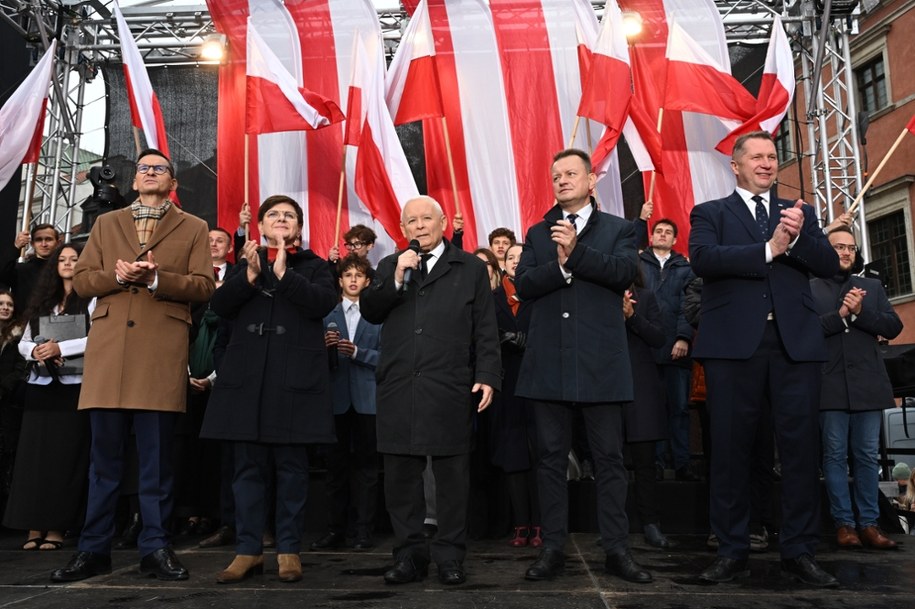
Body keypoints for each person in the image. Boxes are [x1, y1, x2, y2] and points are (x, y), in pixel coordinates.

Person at [51, 148, 215, 583]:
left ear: (172, 183)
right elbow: (83, 280)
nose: (149, 172)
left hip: (160, 354)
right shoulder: (107, 223)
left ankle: (155, 548)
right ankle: (93, 550)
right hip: (110, 356)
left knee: (156, 465)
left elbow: (204, 286)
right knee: (103, 462)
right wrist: (119, 277)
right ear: (135, 180)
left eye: (159, 168)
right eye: (143, 168)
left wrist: (157, 279)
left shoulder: (194, 227)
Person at [689, 131, 839, 587]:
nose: (767, 163)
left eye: (772, 156)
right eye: (756, 156)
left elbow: (829, 264)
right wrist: (769, 249)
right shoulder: (710, 212)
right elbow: (703, 259)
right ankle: (731, 550)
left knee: (800, 452)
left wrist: (795, 238)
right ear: (735, 166)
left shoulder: (798, 212)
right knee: (730, 451)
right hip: (734, 347)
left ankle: (799, 551)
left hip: (795, 345)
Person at [515, 149, 650, 584]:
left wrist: (575, 254)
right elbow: (524, 283)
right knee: (550, 461)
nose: (562, 180)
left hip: (601, 364)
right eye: (556, 175)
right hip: (548, 363)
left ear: (592, 181)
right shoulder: (538, 232)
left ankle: (617, 550)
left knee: (609, 460)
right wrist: (559, 266)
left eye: (571, 173)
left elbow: (623, 271)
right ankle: (552, 548)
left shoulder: (619, 228)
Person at [360, 196, 501, 586]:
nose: (419, 226)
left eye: (426, 218)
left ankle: (450, 556)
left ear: (443, 223)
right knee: (400, 480)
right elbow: (371, 309)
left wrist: (488, 374)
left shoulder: (470, 267)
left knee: (452, 479)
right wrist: (395, 278)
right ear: (402, 229)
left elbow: (485, 328)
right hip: (399, 386)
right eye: (412, 221)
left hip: (449, 386)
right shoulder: (391, 264)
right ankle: (409, 556)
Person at [200, 195, 337, 583]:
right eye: (273, 215)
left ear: (299, 227)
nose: (281, 219)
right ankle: (248, 551)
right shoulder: (246, 264)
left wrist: (283, 274)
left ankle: (289, 550)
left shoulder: (315, 266)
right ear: (259, 226)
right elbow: (220, 306)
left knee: (292, 471)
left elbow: (322, 303)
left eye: (289, 215)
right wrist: (250, 274)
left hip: (294, 386)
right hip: (247, 385)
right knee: (246, 471)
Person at [811, 226, 903, 550]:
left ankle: (869, 524)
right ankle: (844, 524)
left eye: (850, 247)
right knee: (834, 456)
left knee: (866, 456)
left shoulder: (871, 287)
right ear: (826, 251)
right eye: (839, 247)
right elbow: (804, 332)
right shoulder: (811, 288)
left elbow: (894, 326)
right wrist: (840, 315)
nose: (846, 252)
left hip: (867, 385)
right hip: (829, 385)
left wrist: (862, 312)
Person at [4, 243, 92, 551]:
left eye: (74, 259)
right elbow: (24, 342)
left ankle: (56, 528)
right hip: (41, 388)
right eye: (62, 259)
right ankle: (33, 527)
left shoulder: (91, 300)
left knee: (64, 459)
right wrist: (38, 351)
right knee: (34, 459)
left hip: (75, 388)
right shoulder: (43, 301)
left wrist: (60, 348)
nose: (67, 264)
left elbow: (96, 337)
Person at [311, 254, 382, 552]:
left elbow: (390, 358)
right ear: (339, 281)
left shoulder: (378, 315)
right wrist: (323, 349)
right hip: (336, 401)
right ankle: (334, 530)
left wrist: (357, 353)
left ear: (367, 281)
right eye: (348, 275)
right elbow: (309, 360)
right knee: (335, 470)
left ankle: (364, 531)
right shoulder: (325, 315)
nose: (353, 280)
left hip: (368, 402)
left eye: (358, 275)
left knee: (367, 469)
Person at [637, 219, 697, 481]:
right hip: (646, 348)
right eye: (658, 231)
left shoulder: (686, 268)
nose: (662, 235)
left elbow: (689, 305)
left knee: (679, 408)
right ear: (651, 236)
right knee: (652, 409)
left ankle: (682, 463)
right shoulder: (638, 264)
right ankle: (657, 464)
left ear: (674, 240)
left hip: (676, 347)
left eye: (668, 232)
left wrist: (683, 337)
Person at [490, 243, 540, 548]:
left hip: (537, 384)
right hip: (505, 385)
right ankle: (520, 524)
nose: (516, 262)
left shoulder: (540, 295)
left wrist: (529, 341)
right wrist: (501, 340)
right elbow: (480, 335)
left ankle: (540, 524)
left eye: (522, 258)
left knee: (539, 456)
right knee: (513, 456)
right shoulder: (492, 298)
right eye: (510, 258)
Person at [621, 280, 673, 549]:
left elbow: (659, 337)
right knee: (609, 464)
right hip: (606, 389)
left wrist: (632, 316)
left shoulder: (646, 296)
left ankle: (651, 523)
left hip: (640, 390)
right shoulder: (596, 296)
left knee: (645, 464)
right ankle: (613, 526)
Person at [0, 290, 25, 516]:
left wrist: (4, 388)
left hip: (8, 406)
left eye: (9, 304)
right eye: (1, 303)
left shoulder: (20, 336)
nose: (5, 307)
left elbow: (20, 369)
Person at [0, 224, 60, 308]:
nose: (44, 244)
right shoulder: (20, 270)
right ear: (32, 244)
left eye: (48, 239)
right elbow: (2, 273)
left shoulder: (63, 270)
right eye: (39, 240)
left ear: (58, 243)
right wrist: (16, 247)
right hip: (25, 316)